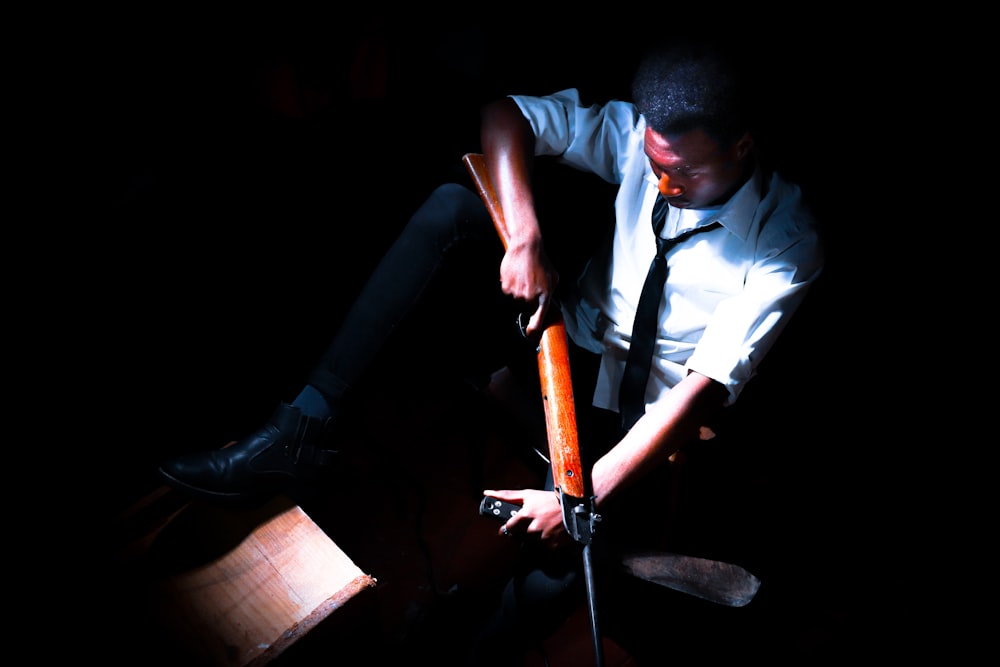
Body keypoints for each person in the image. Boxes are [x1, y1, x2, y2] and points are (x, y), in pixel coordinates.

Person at [157, 36, 824, 664]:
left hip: (642, 412)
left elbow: (699, 390)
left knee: (560, 563)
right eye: (653, 167)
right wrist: (526, 237)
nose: (664, 186)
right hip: (567, 340)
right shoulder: (638, 137)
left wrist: (582, 499)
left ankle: (463, 648)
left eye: (684, 173)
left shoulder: (786, 241)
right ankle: (299, 424)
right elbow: (507, 115)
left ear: (742, 144)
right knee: (453, 208)